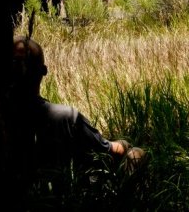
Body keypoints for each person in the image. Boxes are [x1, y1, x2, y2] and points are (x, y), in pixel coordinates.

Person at [8, 35, 145, 194]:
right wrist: (124, 144)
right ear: (43, 71)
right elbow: (107, 151)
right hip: (56, 199)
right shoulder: (64, 117)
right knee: (137, 154)